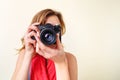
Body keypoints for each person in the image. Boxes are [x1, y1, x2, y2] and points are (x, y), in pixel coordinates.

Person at [11, 8, 77, 80]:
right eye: (47, 28)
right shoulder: (24, 54)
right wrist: (28, 54)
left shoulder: (69, 58)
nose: (52, 33)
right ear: (35, 30)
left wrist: (60, 62)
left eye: (56, 28)